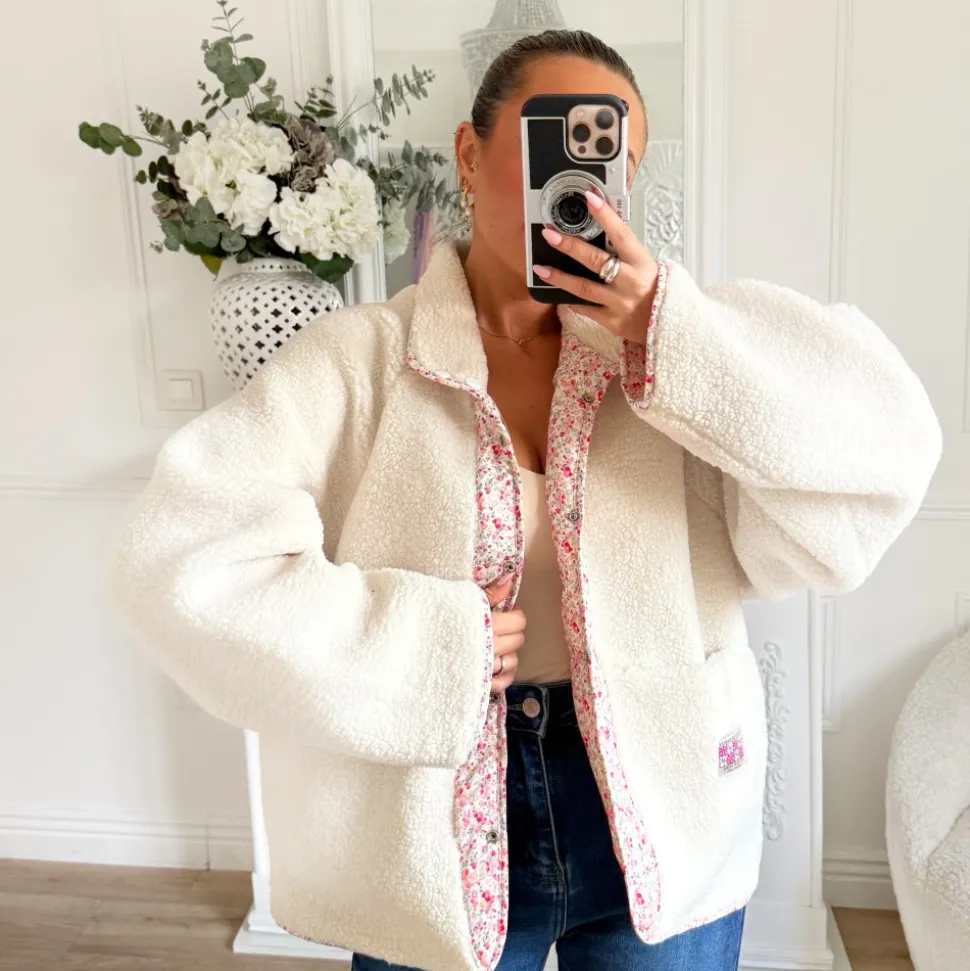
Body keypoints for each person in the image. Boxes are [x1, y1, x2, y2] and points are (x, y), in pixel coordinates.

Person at [111, 28, 942, 971]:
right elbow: (173, 561)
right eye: (554, 141)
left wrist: (672, 333)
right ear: (469, 156)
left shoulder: (674, 358)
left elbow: (886, 451)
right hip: (433, 818)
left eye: (610, 162)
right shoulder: (359, 363)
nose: (579, 186)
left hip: (660, 802)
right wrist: (422, 645)